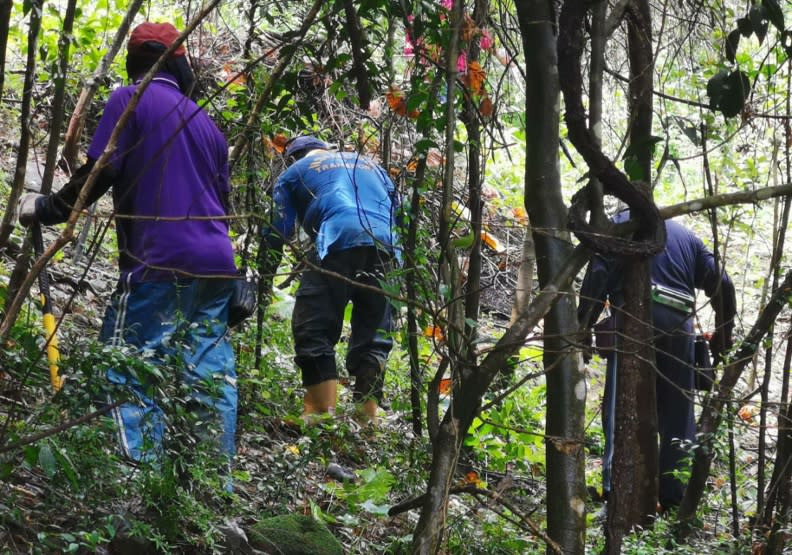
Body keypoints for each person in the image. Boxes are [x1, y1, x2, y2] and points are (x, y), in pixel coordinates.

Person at [18, 22, 239, 470]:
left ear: (135, 63)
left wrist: (44, 207)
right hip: (217, 266)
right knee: (209, 378)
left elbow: (99, 172)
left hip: (159, 261)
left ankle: (134, 482)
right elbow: (225, 206)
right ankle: (213, 485)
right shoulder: (209, 126)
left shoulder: (130, 98)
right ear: (178, 64)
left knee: (126, 367)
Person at [577, 212, 736, 510]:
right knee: (678, 412)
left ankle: (615, 490)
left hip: (635, 318)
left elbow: (599, 274)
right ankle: (673, 497)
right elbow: (724, 284)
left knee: (622, 404)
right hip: (680, 326)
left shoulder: (621, 223)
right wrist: (724, 336)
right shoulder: (688, 237)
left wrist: (583, 323)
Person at [259, 136, 400, 424]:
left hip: (337, 237)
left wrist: (263, 278)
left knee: (313, 324)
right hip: (386, 246)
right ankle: (367, 417)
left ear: (293, 158)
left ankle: (320, 414)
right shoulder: (372, 165)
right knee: (375, 333)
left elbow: (277, 229)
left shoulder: (293, 173)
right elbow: (398, 215)